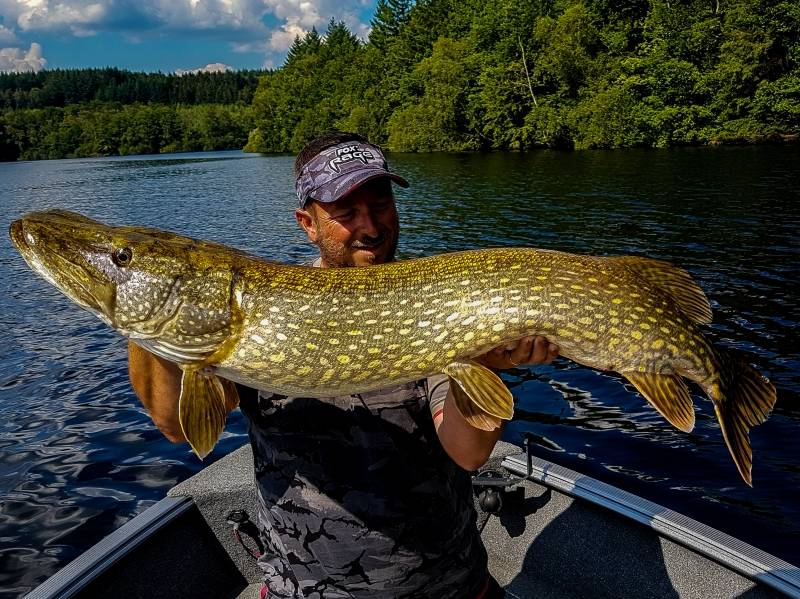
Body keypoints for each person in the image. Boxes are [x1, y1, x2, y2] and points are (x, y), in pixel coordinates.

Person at [128, 132, 559, 598]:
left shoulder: (439, 304)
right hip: (308, 589)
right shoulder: (250, 312)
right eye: (346, 214)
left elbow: (468, 452)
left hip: (449, 585)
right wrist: (150, 316)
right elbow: (174, 424)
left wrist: (485, 363)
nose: (371, 227)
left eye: (380, 204)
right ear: (307, 224)